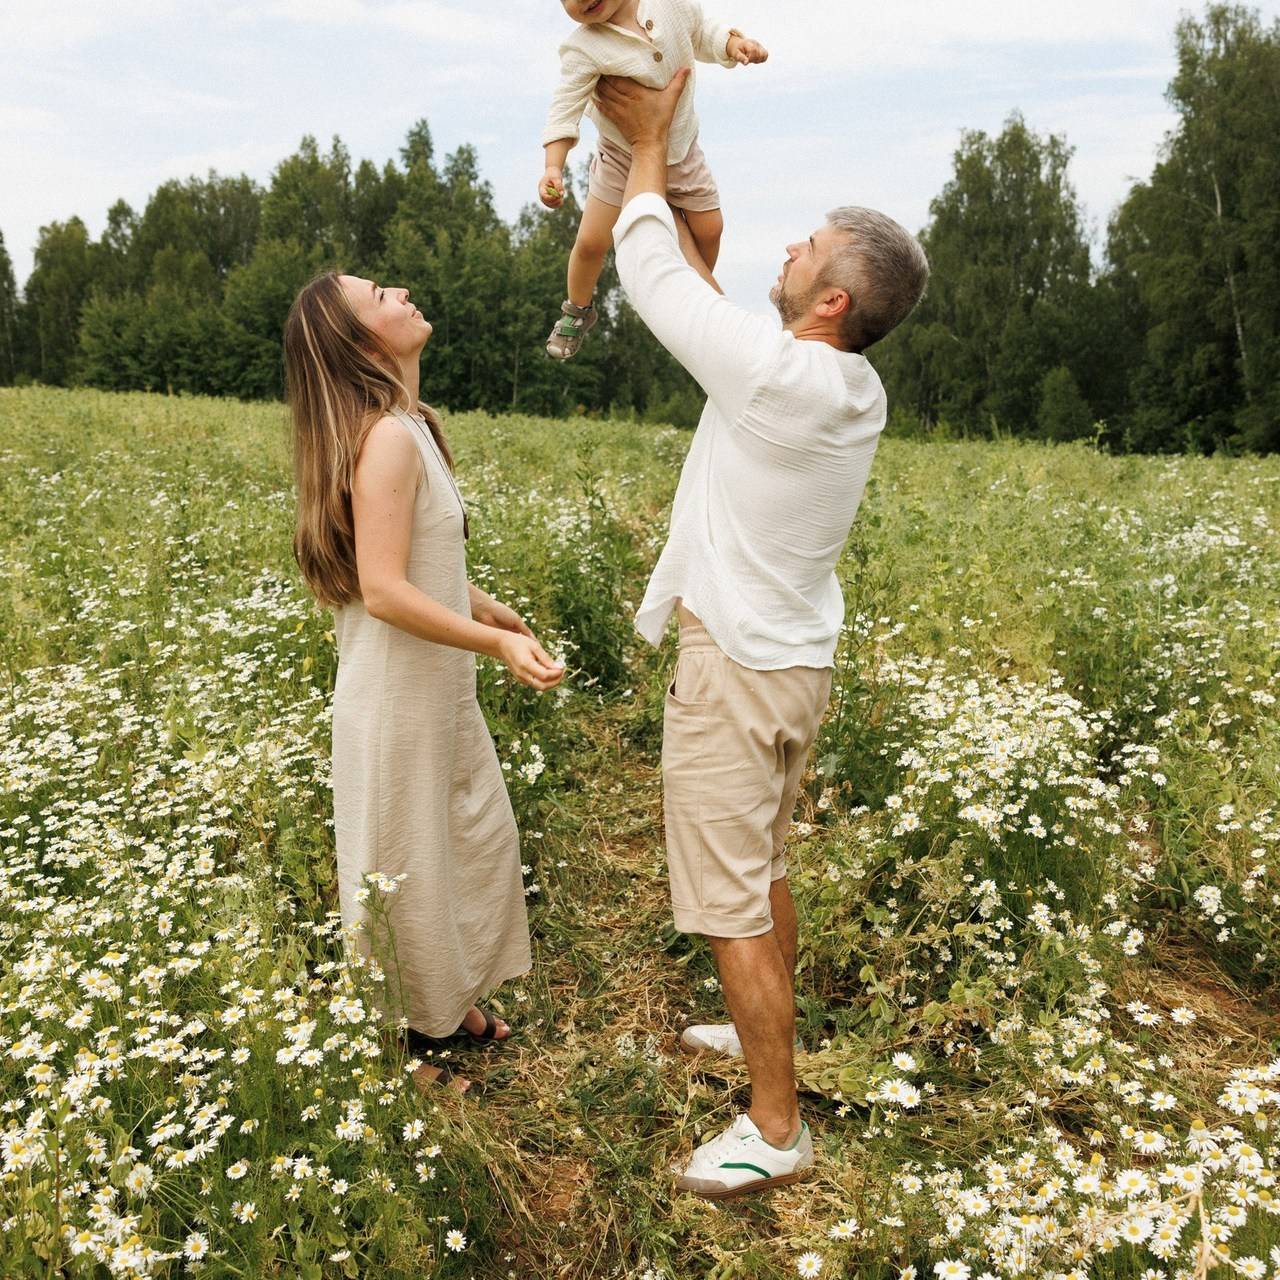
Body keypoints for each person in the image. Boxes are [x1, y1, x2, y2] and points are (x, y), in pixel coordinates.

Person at [593, 70, 929, 1197]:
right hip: (788, 666)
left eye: (806, 247)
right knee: (766, 862)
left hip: (735, 671)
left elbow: (648, 276)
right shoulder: (843, 387)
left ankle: (774, 1126)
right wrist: (678, 167)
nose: (786, 250)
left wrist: (645, 144)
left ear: (831, 299)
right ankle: (761, 1036)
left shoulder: (778, 377)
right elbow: (709, 309)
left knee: (728, 895)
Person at [284, 272, 565, 1094]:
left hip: (429, 688)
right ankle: (399, 1056)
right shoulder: (389, 441)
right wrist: (493, 644)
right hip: (398, 698)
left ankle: (442, 1005)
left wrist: (491, 609)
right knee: (402, 862)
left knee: (454, 843)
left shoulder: (410, 426)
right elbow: (382, 589)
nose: (403, 290)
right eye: (380, 294)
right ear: (363, 343)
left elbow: (417, 569)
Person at [539, 0, 767, 359]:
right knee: (590, 243)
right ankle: (576, 310)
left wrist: (732, 44)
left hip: (682, 150)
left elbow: (702, 32)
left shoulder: (671, 5)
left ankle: (687, 293)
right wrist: (554, 166)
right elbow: (564, 109)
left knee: (710, 229)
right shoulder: (584, 48)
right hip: (620, 158)